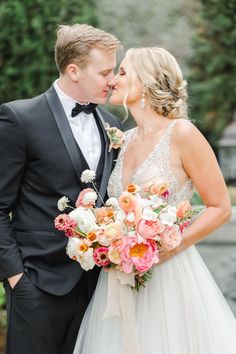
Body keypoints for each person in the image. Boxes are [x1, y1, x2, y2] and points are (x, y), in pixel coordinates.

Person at [73, 47, 236, 354]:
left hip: (168, 274)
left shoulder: (183, 133)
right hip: (119, 277)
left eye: (122, 73)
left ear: (145, 83)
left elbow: (220, 207)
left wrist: (165, 250)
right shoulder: (125, 138)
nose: (113, 80)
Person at [0, 23, 122, 354]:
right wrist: (17, 279)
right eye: (105, 72)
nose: (113, 80)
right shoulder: (20, 118)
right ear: (74, 71)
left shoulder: (112, 124)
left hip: (96, 290)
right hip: (37, 285)